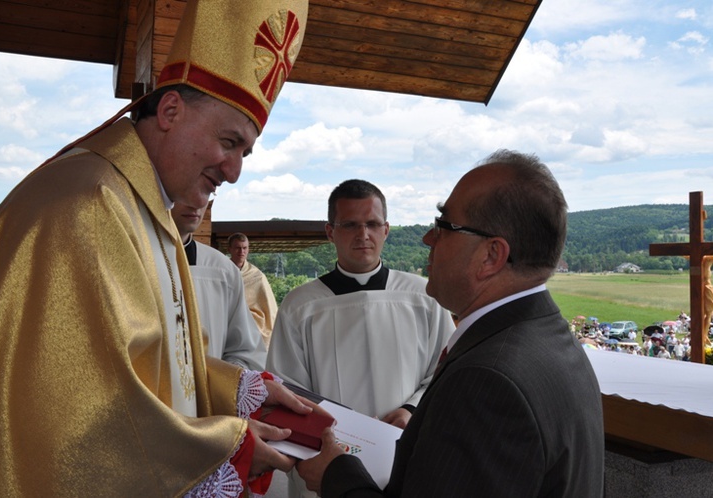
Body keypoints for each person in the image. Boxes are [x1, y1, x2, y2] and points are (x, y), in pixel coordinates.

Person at [0, 0, 312, 495]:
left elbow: (156, 367)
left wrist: (238, 393)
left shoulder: (142, 205)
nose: (235, 171)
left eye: (245, 153)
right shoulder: (90, 206)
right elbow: (80, 419)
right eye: (229, 142)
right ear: (170, 111)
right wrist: (221, 444)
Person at [296, 150, 605, 497]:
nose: (429, 238)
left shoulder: (486, 383)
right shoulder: (552, 338)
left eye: (445, 225)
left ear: (491, 256)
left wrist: (337, 475)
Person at [267, 179, 455, 498]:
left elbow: (448, 372)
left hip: (406, 450)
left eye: (372, 224)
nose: (363, 234)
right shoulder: (301, 305)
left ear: (386, 230)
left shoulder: (422, 296)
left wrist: (411, 409)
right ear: (330, 232)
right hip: (326, 454)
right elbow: (286, 387)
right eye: (350, 224)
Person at [172, 201, 267, 370]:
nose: (198, 200)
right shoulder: (132, 258)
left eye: (208, 189)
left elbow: (245, 351)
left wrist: (224, 379)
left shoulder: (222, 270)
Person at [228, 232, 279, 347]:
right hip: (224, 323)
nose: (241, 252)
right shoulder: (220, 270)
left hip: (250, 327)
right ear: (229, 249)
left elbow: (268, 307)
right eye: (237, 248)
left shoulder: (257, 276)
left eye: (244, 248)